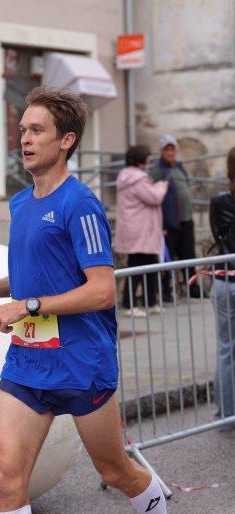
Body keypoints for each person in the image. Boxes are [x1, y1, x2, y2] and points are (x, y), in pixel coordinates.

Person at [0, 87, 195, 514]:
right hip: (28, 363)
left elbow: (102, 290)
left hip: (81, 362)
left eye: (37, 131)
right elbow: (36, 277)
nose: (25, 139)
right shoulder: (20, 203)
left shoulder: (80, 205)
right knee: (6, 479)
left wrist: (28, 306)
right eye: (23, 130)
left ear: (67, 140)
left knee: (115, 470)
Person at [115, 145, 168, 318]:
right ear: (140, 160)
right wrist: (162, 185)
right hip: (140, 230)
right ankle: (128, 304)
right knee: (137, 267)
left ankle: (150, 302)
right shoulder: (138, 179)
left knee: (149, 265)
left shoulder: (127, 176)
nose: (150, 161)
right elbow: (155, 197)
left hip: (137, 229)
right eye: (147, 158)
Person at [150, 134, 204, 302]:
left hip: (186, 219)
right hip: (169, 222)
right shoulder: (157, 170)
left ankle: (193, 288)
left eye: (172, 148)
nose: (170, 152)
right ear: (161, 151)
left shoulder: (180, 167)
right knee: (168, 258)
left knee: (189, 256)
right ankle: (165, 291)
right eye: (166, 149)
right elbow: (152, 194)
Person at [209, 147, 235, 430]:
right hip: (227, 278)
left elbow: (218, 235)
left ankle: (226, 417)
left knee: (226, 350)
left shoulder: (218, 201)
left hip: (224, 278)